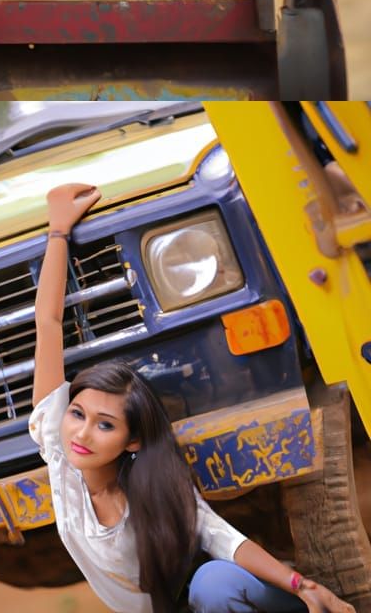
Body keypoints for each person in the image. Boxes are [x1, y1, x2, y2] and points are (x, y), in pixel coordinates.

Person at [29, 182, 356, 613]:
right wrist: (58, 233)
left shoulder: (156, 491)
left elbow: (226, 540)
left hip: (232, 598)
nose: (82, 433)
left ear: (133, 442)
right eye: (77, 414)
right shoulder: (60, 456)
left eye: (105, 424)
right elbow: (48, 323)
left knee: (213, 582)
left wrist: (301, 584)